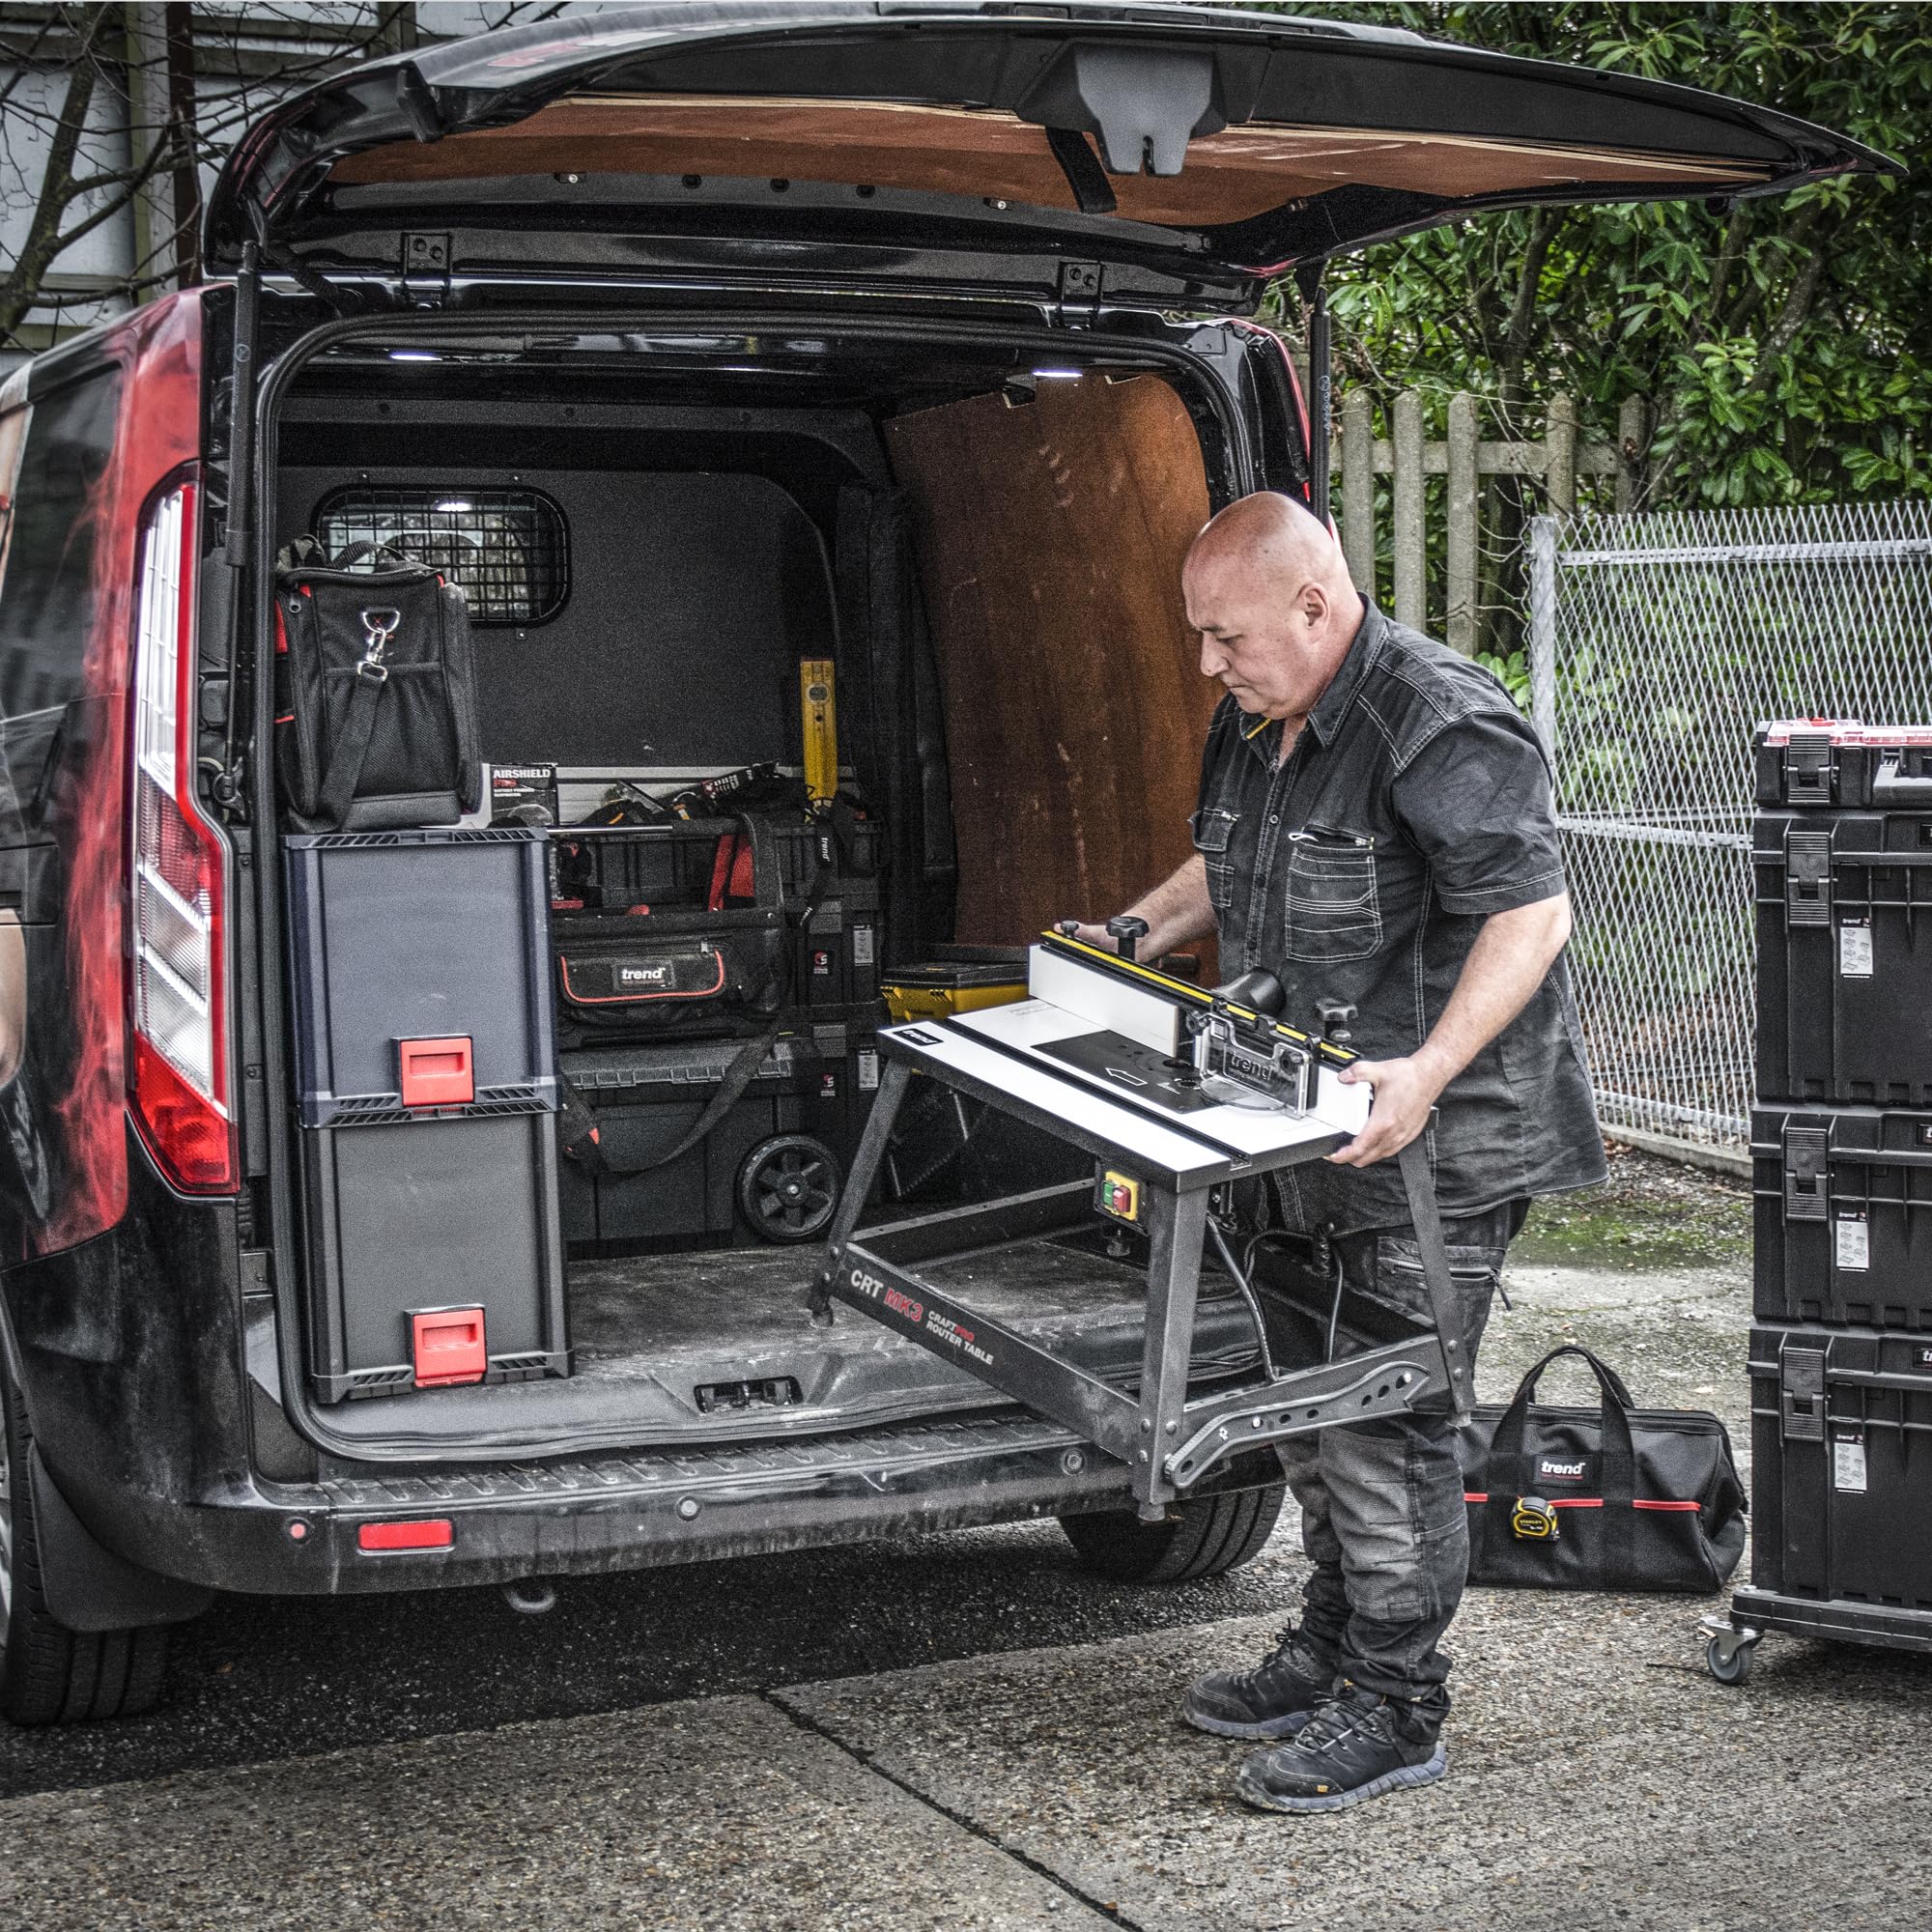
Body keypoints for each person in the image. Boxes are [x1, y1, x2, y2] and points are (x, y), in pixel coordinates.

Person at [1076, 492, 1603, 1814]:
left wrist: (1425, 1070)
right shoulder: (1259, 715)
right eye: (1201, 639)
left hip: (1437, 1145)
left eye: (1224, 636)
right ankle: (1327, 1646)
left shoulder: (1440, 718)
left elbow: (1530, 916)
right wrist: (1126, 939)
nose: (1208, 663)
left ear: (1313, 605)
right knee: (1313, 1416)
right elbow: (1225, 869)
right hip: (1300, 1133)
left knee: (1393, 1424)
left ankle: (1396, 1703)